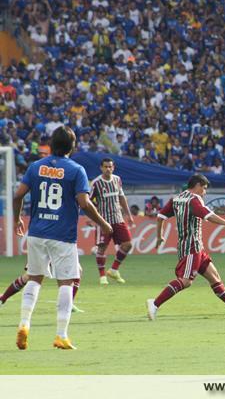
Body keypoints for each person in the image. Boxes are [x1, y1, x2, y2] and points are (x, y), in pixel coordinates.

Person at [12, 126, 112, 350]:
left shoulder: (36, 167)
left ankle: (24, 324)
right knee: (66, 282)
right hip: (63, 235)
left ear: (51, 144)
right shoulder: (76, 170)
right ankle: (61, 335)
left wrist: (17, 219)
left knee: (34, 278)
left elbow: (18, 195)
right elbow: (84, 203)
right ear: (72, 146)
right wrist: (103, 223)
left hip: (36, 232)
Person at [146, 175, 225, 320]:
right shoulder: (194, 200)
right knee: (186, 281)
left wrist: (159, 236)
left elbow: (160, 216)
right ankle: (154, 303)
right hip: (191, 247)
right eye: (204, 188)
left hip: (196, 247)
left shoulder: (177, 199)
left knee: (214, 277)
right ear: (197, 185)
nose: (205, 192)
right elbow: (209, 216)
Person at [90, 158, 135, 285]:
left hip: (118, 218)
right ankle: (102, 276)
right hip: (103, 221)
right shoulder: (96, 183)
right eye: (105, 167)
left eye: (110, 167)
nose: (108, 169)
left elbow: (121, 197)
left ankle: (114, 270)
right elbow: (88, 201)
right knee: (102, 248)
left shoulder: (117, 179)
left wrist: (129, 215)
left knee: (127, 244)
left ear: (113, 167)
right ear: (101, 168)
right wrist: (92, 217)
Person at [0, 264, 84, 313]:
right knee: (30, 276)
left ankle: (69, 304)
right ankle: (2, 299)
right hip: (49, 244)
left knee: (77, 270)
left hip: (54, 244)